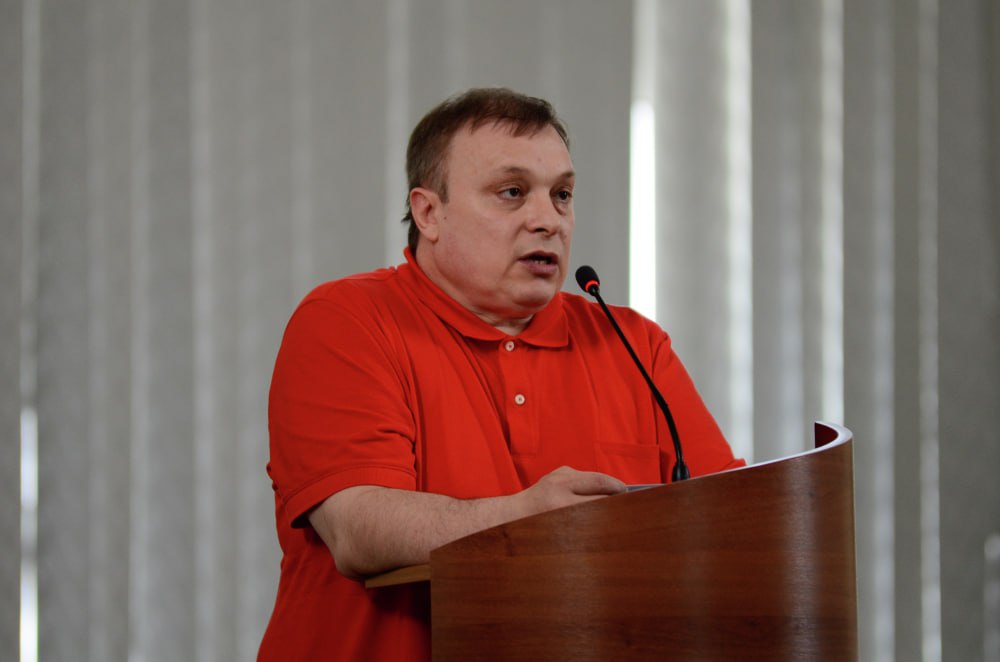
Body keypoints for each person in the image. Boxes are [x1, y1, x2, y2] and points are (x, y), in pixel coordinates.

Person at [258, 87, 743, 661]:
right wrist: (525, 519)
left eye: (562, 195)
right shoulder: (347, 320)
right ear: (429, 213)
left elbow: (737, 524)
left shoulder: (634, 343)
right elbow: (359, 530)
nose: (548, 220)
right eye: (512, 192)